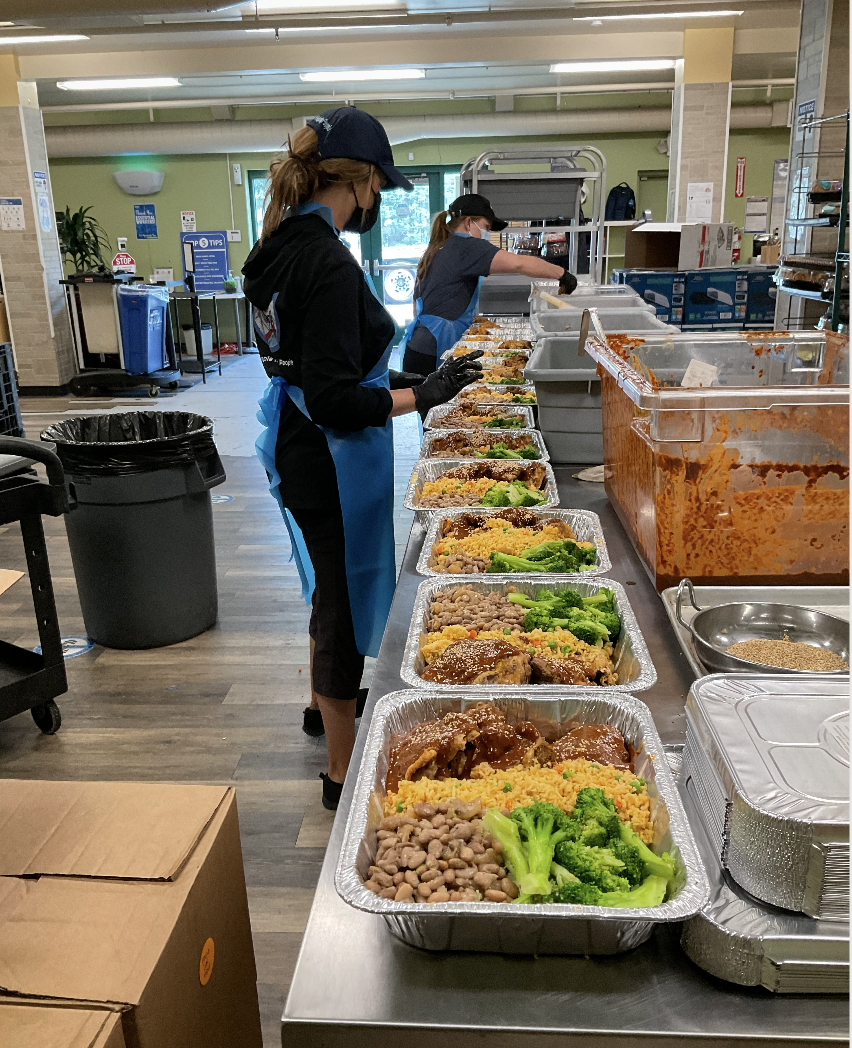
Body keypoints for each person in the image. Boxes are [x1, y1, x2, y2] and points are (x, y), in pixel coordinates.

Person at [242, 107, 482, 810]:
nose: (379, 200)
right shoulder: (325, 260)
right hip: (330, 453)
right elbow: (338, 398)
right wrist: (423, 396)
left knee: (327, 589)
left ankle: (326, 702)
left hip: (295, 440)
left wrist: (402, 382)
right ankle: (341, 772)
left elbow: (316, 365)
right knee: (342, 606)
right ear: (363, 180)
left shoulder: (279, 246)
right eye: (380, 184)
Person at [402, 193, 578, 376]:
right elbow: (519, 263)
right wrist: (562, 274)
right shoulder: (467, 246)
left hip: (417, 348)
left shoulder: (439, 246)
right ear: (469, 222)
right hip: (436, 351)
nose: (486, 234)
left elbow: (416, 307)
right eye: (485, 227)